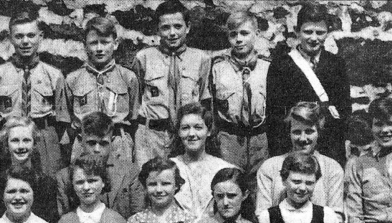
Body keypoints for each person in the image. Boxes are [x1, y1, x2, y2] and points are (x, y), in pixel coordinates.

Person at [0, 11, 70, 176]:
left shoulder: (54, 75)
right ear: (10, 38)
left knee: (47, 185)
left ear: (40, 37)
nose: (25, 41)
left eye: (31, 35)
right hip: (11, 141)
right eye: (19, 36)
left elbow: (63, 121)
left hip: (44, 138)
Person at [266, 3, 350, 165]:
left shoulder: (336, 64)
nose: (313, 38)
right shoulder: (281, 65)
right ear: (297, 31)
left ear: (327, 33)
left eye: (320, 32)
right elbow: (274, 115)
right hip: (294, 146)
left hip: (328, 148)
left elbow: (344, 110)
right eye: (307, 32)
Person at [133, 0, 211, 167]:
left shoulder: (201, 59)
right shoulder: (144, 57)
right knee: (150, 183)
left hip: (186, 136)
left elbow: (204, 97)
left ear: (188, 27)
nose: (172, 33)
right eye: (165, 28)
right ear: (157, 30)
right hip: (151, 136)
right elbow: (136, 97)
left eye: (178, 26)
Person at [66, 16, 140, 164]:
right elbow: (68, 119)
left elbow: (134, 118)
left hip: (117, 143)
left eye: (105, 42)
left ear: (115, 43)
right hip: (84, 143)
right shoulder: (73, 79)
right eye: (93, 43)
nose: (99, 49)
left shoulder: (128, 77)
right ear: (85, 46)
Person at [255, 102, 343, 220]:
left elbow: (336, 217)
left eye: (309, 131)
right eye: (296, 132)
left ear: (319, 132)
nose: (302, 138)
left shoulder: (332, 169)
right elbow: (262, 215)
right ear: (289, 133)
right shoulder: (269, 167)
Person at [211, 11, 270, 181]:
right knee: (230, 183)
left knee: (258, 186)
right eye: (233, 34)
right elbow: (212, 107)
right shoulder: (218, 68)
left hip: (260, 140)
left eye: (244, 33)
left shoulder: (268, 68)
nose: (238, 39)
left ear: (257, 34)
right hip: (229, 140)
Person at [56, 112, 144, 219]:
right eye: (91, 143)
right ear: (81, 141)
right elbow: (65, 221)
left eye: (103, 143)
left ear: (112, 142)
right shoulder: (64, 177)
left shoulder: (130, 172)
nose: (97, 150)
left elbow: (137, 218)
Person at [170, 102, 235, 217]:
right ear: (179, 132)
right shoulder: (170, 167)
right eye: (185, 128)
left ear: (209, 131)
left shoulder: (223, 168)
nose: (191, 134)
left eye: (198, 127)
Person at [0, 116, 59, 223]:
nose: (21, 146)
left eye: (26, 140)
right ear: (6, 144)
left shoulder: (47, 183)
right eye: (15, 141)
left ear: (34, 143)